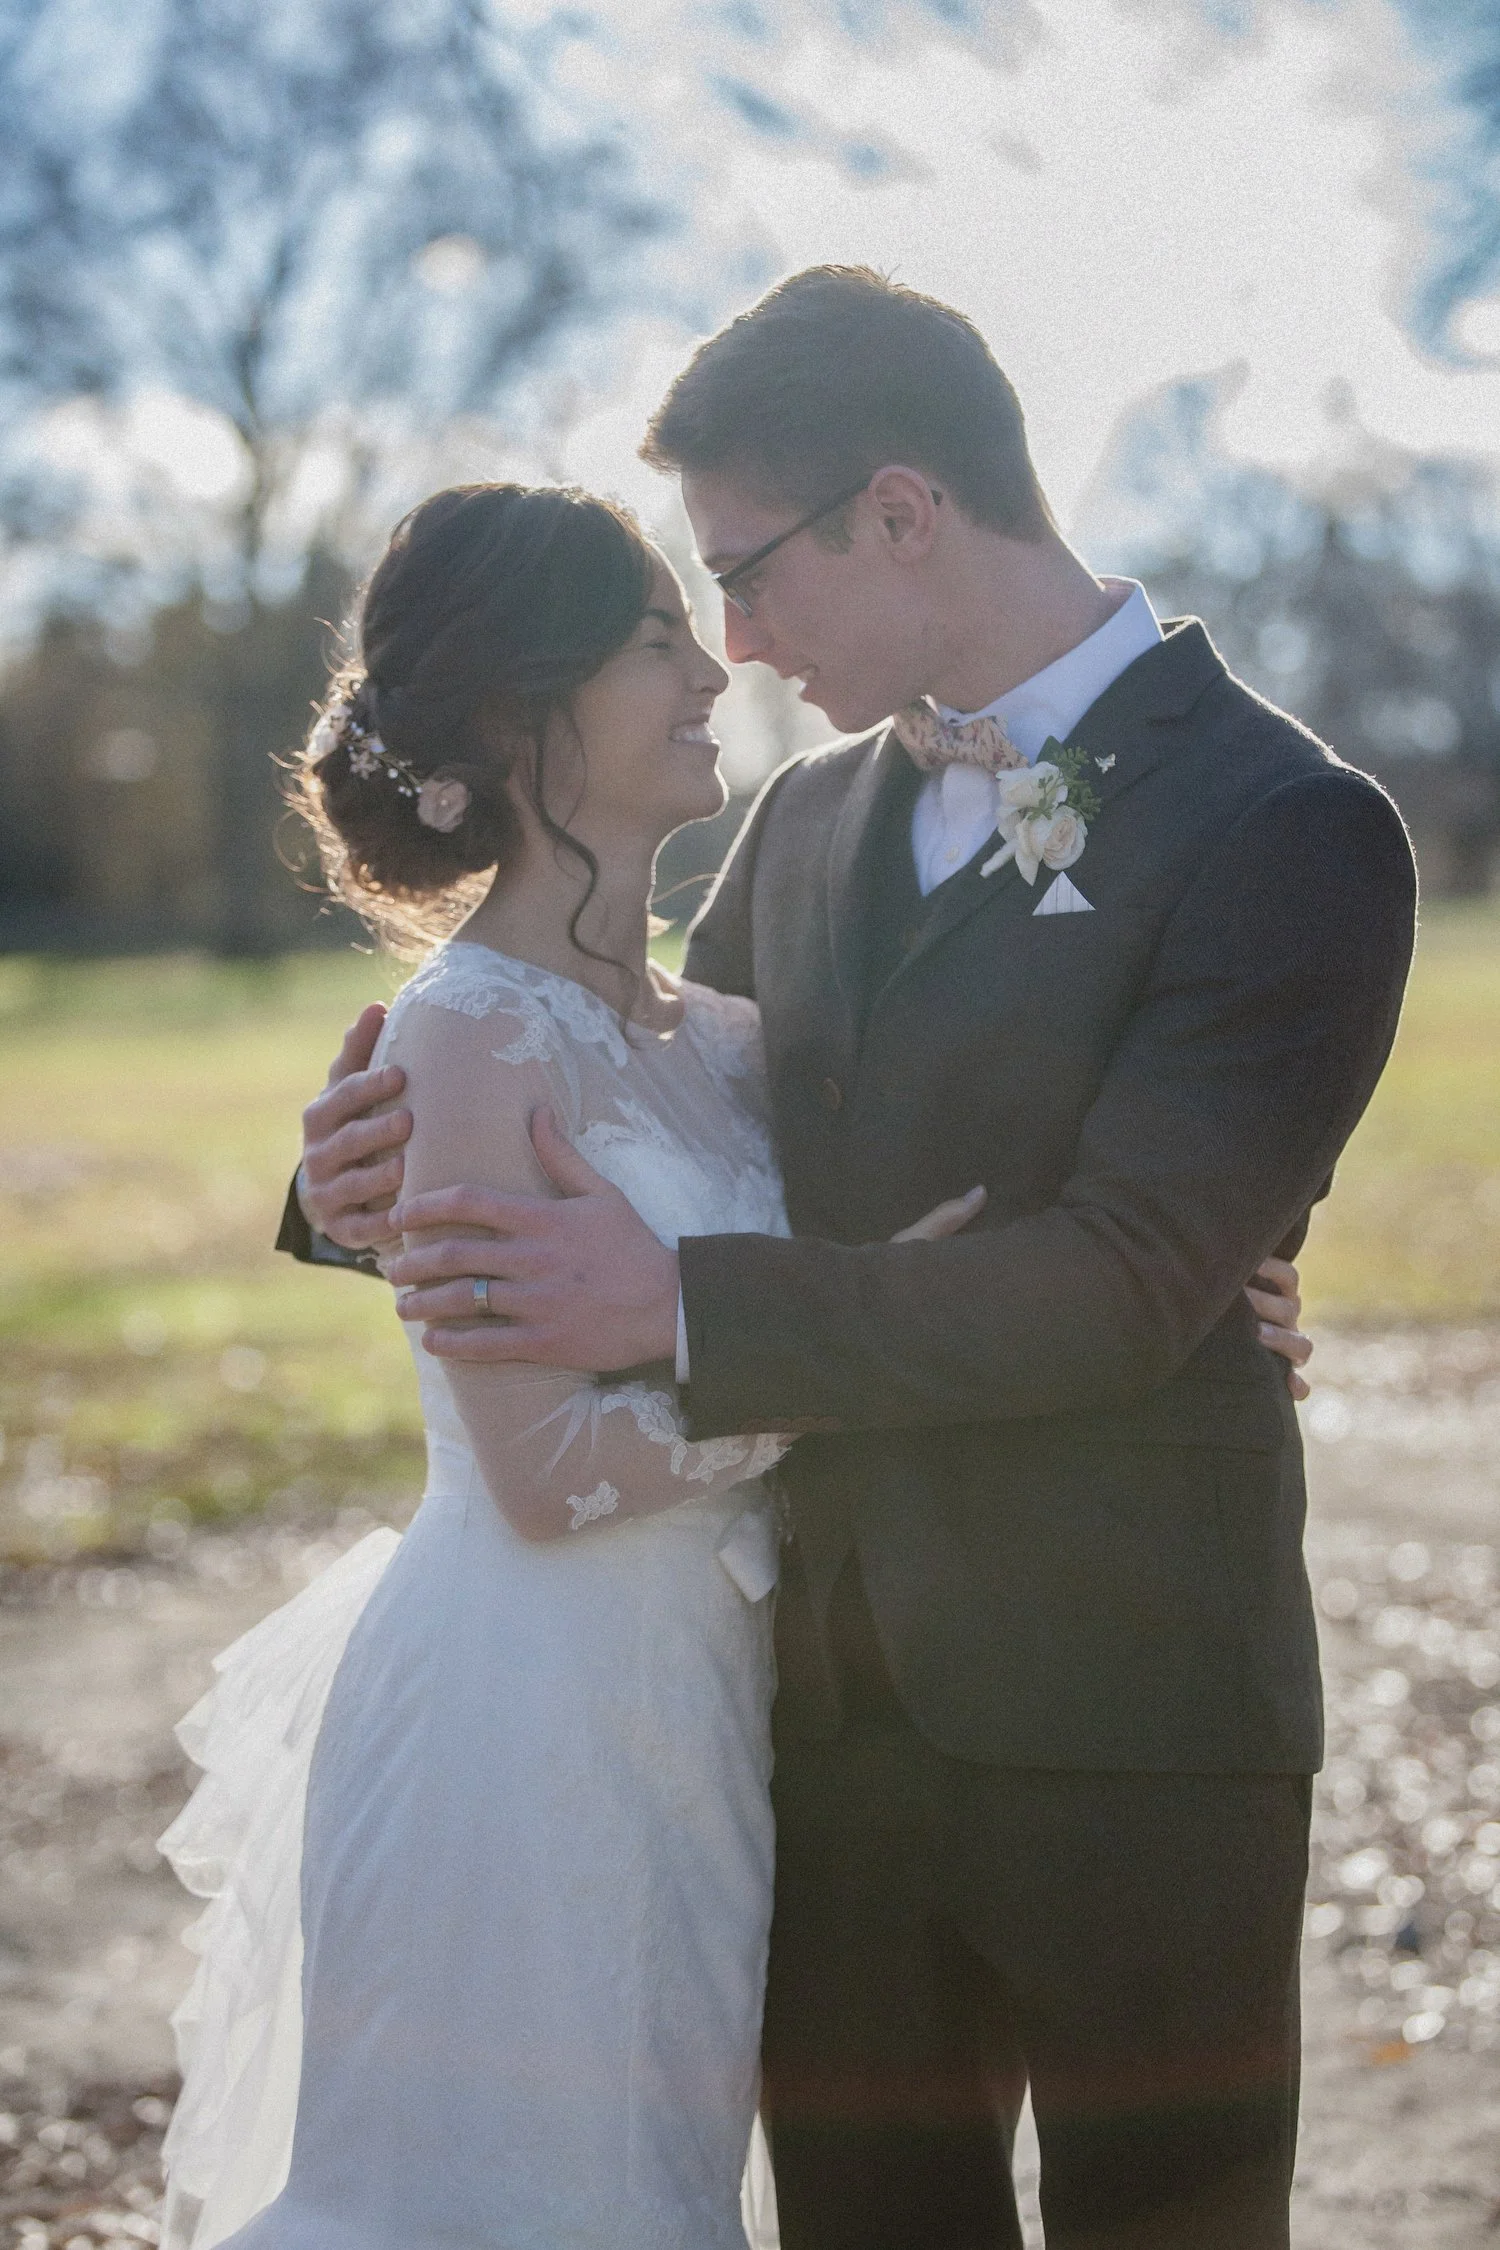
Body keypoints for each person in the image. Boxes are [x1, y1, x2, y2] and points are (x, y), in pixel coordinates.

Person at [296, 269, 1415, 2250]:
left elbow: (1130, 1275)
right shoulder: (807, 821)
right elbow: (660, 1084)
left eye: (745, 574)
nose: (733, 643)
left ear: (900, 513)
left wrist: (683, 1314)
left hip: (1133, 1710)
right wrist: (356, 1162)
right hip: (809, 1716)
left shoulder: (1289, 823)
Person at [164, 480, 974, 2248]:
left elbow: (934, 1219)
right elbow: (546, 1477)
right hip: (521, 1707)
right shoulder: (459, 1034)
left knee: (652, 2185)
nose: (711, 667)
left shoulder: (732, 1038)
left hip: (694, 1702)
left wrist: (1218, 1277)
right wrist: (839, 1368)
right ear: (529, 712)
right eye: (653, 635)